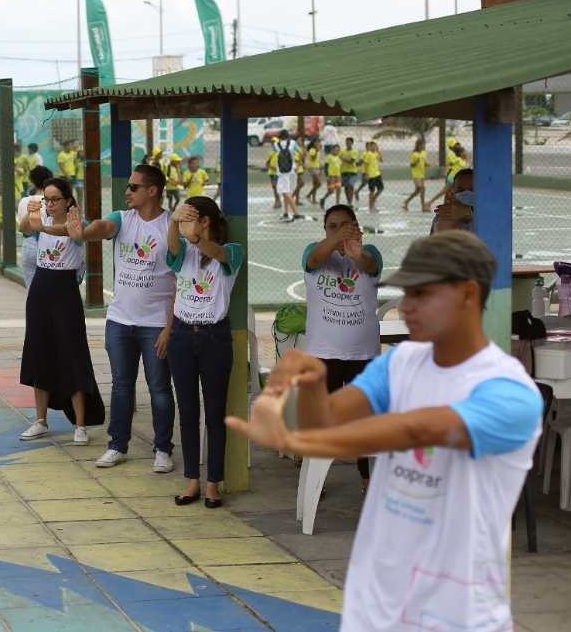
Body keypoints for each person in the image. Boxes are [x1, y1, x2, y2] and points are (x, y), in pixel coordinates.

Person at [229, 231, 541, 631]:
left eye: (422, 294)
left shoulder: (509, 391)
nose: (406, 307)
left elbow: (420, 429)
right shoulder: (406, 360)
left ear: (466, 295)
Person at [65, 164, 177, 473]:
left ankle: (163, 449)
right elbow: (100, 227)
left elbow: (182, 282)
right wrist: (82, 232)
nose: (127, 191)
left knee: (160, 388)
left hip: (156, 323)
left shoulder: (171, 226)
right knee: (121, 386)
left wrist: (169, 328)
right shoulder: (122, 218)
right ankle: (117, 445)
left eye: (133, 187)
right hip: (120, 322)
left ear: (152, 190)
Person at [166, 197, 244, 508]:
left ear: (205, 221)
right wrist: (174, 223)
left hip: (216, 338)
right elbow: (172, 247)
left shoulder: (232, 252)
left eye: (189, 218)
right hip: (181, 335)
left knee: (215, 414)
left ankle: (213, 484)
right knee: (187, 413)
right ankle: (192, 482)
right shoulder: (183, 251)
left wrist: (195, 238)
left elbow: (217, 252)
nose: (184, 227)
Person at [17, 177, 105, 446]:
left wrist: (41, 224)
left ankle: (80, 424)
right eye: (47, 199)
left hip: (65, 292)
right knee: (39, 350)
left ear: (69, 200)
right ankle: (41, 420)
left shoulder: (78, 224)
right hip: (40, 290)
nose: (51, 204)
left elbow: (70, 233)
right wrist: (31, 213)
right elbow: (24, 229)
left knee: (72, 353)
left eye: (56, 199)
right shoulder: (40, 220)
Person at [303, 204, 383, 493]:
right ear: (324, 230)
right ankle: (315, 482)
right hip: (323, 353)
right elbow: (313, 259)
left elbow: (370, 266)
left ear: (357, 226)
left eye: (344, 225)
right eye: (331, 226)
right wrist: (337, 240)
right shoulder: (315, 251)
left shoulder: (369, 252)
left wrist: (356, 252)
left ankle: (368, 478)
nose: (337, 231)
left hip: (364, 353)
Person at [17, 165, 52, 288]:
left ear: (32, 181)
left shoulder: (24, 201)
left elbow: (22, 227)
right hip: (49, 244)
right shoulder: (54, 202)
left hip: (30, 244)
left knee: (32, 289)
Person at [425, 137, 469, 211]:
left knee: (450, 194)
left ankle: (446, 208)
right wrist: (445, 171)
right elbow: (449, 163)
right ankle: (428, 203)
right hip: (452, 177)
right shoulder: (457, 158)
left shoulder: (462, 160)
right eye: (464, 152)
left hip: (456, 179)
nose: (466, 153)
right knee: (444, 192)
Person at [433, 168, 474, 233]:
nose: (467, 193)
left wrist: (468, 212)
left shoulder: (489, 214)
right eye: (461, 190)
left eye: (472, 189)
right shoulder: (443, 217)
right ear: (453, 194)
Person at [275, 129, 302, 222]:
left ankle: (296, 213)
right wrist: (298, 165)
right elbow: (301, 152)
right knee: (288, 190)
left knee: (284, 191)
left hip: (282, 171)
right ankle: (286, 212)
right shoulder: (293, 143)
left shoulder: (276, 145)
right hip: (292, 169)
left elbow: (275, 152)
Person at [359, 140, 384, 213]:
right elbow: (366, 164)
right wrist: (367, 174)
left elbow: (382, 160)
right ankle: (371, 206)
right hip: (371, 175)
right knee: (372, 190)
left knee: (381, 188)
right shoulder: (368, 154)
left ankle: (372, 200)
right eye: (372, 146)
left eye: (375, 146)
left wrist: (378, 151)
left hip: (377, 174)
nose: (373, 147)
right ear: (369, 147)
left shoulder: (376, 153)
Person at [404, 138, 429, 211]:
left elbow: (424, 164)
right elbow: (411, 165)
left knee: (417, 190)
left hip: (422, 174)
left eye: (424, 144)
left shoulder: (424, 153)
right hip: (416, 175)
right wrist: (416, 162)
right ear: (418, 145)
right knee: (422, 188)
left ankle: (406, 201)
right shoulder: (414, 154)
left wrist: (431, 164)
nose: (424, 146)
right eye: (423, 145)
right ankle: (423, 206)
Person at [320, 144, 342, 209]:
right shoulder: (329, 157)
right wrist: (327, 175)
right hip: (331, 175)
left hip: (338, 175)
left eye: (338, 150)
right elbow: (326, 167)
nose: (336, 151)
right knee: (331, 190)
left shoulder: (338, 157)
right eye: (335, 150)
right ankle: (323, 199)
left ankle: (337, 204)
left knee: (338, 188)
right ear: (332, 150)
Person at [338, 137, 359, 206]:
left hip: (352, 171)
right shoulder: (342, 151)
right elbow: (338, 158)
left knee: (350, 186)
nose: (347, 144)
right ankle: (348, 201)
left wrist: (342, 158)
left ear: (352, 143)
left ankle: (350, 202)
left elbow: (351, 161)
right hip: (344, 171)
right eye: (346, 142)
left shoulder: (354, 151)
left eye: (349, 142)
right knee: (346, 187)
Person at [304, 137, 323, 205]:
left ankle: (314, 199)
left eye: (319, 142)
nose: (318, 144)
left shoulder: (317, 151)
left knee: (315, 184)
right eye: (316, 142)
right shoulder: (312, 150)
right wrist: (317, 150)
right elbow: (313, 158)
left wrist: (320, 170)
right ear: (313, 143)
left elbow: (318, 160)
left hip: (317, 168)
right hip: (313, 168)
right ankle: (308, 195)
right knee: (319, 183)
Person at [265, 138, 281, 209]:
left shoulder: (281, 152)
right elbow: (267, 164)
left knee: (275, 185)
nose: (273, 143)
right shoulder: (270, 152)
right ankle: (277, 200)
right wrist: (272, 167)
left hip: (278, 172)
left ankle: (277, 200)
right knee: (274, 187)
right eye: (272, 142)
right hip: (272, 172)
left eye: (274, 142)